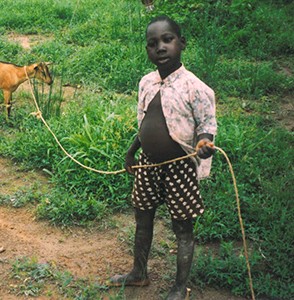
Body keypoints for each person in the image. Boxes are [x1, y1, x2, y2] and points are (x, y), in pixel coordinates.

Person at [108, 16, 217, 300]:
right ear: (146, 49)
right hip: (147, 164)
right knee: (142, 219)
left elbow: (206, 126)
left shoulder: (197, 88)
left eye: (167, 40)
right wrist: (132, 151)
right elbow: (144, 122)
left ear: (181, 43)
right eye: (152, 43)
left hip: (179, 167)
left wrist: (205, 143)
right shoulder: (146, 83)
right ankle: (138, 273)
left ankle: (180, 288)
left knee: (183, 227)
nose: (160, 47)